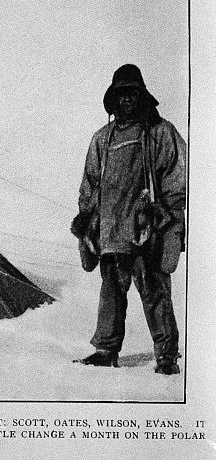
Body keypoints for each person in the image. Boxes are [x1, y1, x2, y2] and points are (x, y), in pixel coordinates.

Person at [73, 64, 186, 375]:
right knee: (110, 291)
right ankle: (106, 350)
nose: (126, 99)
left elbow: (178, 178)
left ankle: (166, 356)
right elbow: (90, 184)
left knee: (155, 291)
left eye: (132, 93)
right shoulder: (102, 139)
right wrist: (88, 221)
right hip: (110, 231)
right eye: (121, 94)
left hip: (146, 230)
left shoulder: (161, 133)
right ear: (113, 99)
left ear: (142, 96)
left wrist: (167, 216)